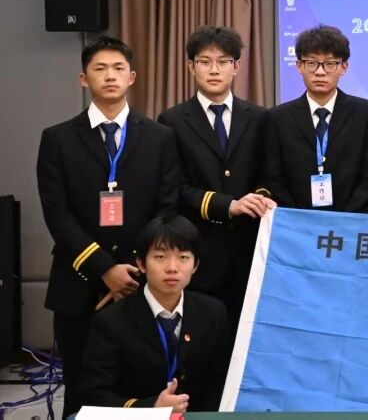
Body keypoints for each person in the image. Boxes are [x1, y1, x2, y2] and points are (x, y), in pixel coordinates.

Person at [36, 36, 180, 418]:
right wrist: (104, 269)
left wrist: (131, 271)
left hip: (140, 284)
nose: (110, 76)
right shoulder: (57, 139)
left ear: (132, 77)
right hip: (78, 285)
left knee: (140, 387)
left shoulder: (160, 137)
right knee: (82, 389)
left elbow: (166, 208)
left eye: (118, 68)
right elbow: (57, 215)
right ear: (84, 79)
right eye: (100, 69)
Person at [157, 26, 274, 328]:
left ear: (236, 66)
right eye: (204, 62)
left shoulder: (259, 117)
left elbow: (269, 174)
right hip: (200, 251)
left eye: (223, 62)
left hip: (250, 250)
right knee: (203, 339)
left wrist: (258, 198)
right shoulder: (172, 121)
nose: (214, 70)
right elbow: (175, 187)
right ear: (190, 66)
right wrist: (227, 205)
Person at [81, 216, 232, 413]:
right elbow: (94, 394)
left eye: (183, 258)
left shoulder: (214, 313)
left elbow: (222, 383)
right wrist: (152, 407)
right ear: (141, 263)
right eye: (160, 257)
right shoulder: (110, 321)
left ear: (195, 265)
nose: (172, 268)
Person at [261, 25, 368, 211]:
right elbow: (274, 177)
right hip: (297, 221)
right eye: (311, 63)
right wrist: (299, 218)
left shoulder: (365, 113)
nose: (320, 72)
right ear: (299, 66)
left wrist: (346, 218)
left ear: (344, 67)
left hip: (350, 221)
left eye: (330, 63)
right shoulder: (278, 118)